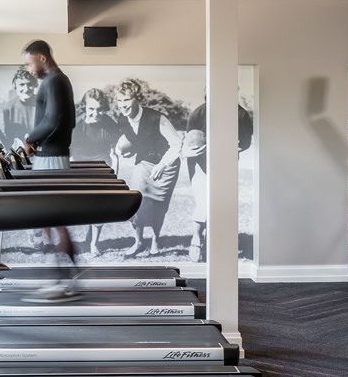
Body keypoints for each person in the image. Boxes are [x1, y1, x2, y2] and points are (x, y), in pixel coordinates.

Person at [21, 39, 77, 295]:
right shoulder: (59, 81)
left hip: (51, 157)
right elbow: (67, 122)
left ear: (41, 58)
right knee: (50, 220)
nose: (28, 69)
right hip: (51, 155)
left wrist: (30, 138)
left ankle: (63, 279)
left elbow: (53, 120)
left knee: (52, 219)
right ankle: (62, 277)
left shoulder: (54, 81)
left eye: (29, 62)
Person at [114, 79, 183, 257]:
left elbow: (176, 144)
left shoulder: (156, 117)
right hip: (143, 163)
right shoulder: (122, 119)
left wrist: (162, 164)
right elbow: (138, 140)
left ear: (138, 99)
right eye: (120, 101)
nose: (123, 105)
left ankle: (155, 240)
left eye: (127, 100)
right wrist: (128, 151)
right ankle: (138, 242)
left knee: (159, 206)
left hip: (167, 164)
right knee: (135, 202)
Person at [182, 99, 254, 262]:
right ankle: (196, 239)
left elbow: (245, 143)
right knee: (203, 202)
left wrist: (229, 148)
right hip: (199, 161)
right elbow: (190, 140)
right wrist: (191, 150)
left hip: (225, 160)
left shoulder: (241, 114)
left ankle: (214, 241)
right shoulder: (198, 113)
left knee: (220, 202)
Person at [71, 88, 119, 255]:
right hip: (79, 165)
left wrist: (114, 178)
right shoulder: (76, 124)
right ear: (85, 107)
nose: (96, 113)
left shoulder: (110, 124)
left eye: (99, 109)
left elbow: (114, 154)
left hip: (102, 166)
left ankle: (94, 244)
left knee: (99, 206)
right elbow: (69, 152)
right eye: (92, 109)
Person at [2, 68, 38, 143]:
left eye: (30, 84)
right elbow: (8, 134)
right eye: (22, 84)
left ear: (35, 85)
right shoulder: (8, 108)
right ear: (15, 87)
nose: (26, 89)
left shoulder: (43, 103)